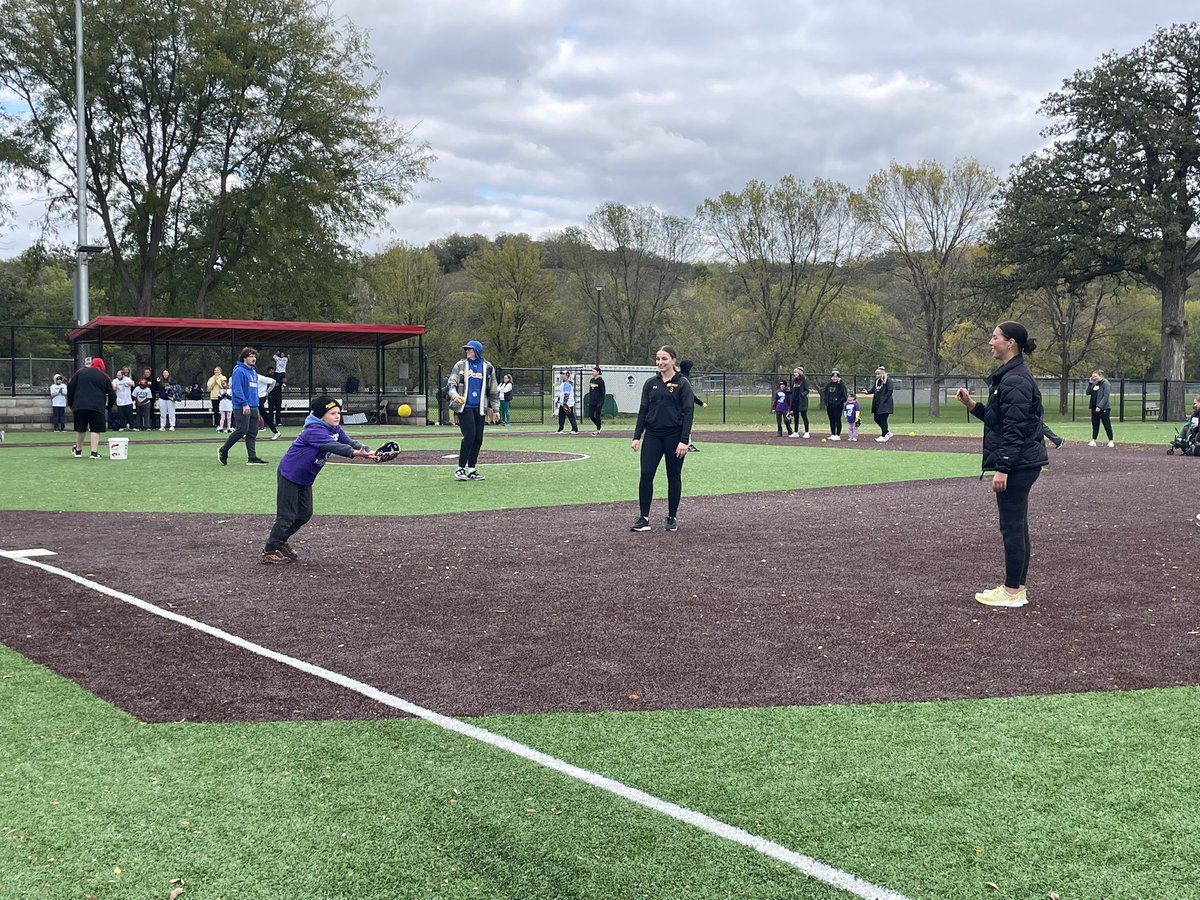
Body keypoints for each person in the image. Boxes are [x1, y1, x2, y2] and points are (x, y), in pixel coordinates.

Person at [954, 321, 1049, 608]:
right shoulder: (1010, 376)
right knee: (1017, 525)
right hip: (1022, 462)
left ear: (1011, 343)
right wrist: (973, 405)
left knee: (1012, 526)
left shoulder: (1016, 379)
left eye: (994, 337)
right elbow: (999, 419)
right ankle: (1016, 587)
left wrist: (1003, 467)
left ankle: (1011, 592)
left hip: (1018, 465)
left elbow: (1015, 428)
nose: (990, 342)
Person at [261, 395, 376, 564]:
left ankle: (281, 541)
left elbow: (349, 442)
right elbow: (334, 446)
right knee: (287, 516)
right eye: (332, 413)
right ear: (322, 415)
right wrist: (355, 453)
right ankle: (269, 550)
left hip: (305, 478)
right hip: (290, 475)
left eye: (338, 412)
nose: (337, 416)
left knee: (304, 514)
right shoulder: (313, 430)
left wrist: (367, 451)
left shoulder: (334, 428)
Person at [630, 345, 696, 533]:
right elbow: (643, 411)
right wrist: (637, 436)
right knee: (646, 474)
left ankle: (672, 517)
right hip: (652, 436)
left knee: (673, 476)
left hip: (674, 437)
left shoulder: (682, 383)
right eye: (658, 359)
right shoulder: (650, 383)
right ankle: (644, 518)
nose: (660, 362)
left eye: (664, 359)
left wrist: (684, 440)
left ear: (673, 360)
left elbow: (689, 412)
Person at [446, 339, 500, 480]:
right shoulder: (461, 365)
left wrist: (496, 409)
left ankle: (472, 469)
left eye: (469, 349)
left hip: (480, 408)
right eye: (466, 349)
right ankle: (460, 468)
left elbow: (493, 389)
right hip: (465, 407)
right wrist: (455, 395)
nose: (467, 351)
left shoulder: (488, 367)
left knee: (478, 439)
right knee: (469, 436)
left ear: (477, 351)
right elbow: (451, 383)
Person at [219, 347, 268, 466]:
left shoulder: (253, 372)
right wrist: (244, 403)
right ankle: (223, 450)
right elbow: (237, 389)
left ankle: (252, 458)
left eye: (254, 356)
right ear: (244, 358)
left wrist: (255, 403)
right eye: (251, 356)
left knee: (252, 432)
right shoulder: (239, 371)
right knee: (242, 430)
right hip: (242, 406)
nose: (253, 358)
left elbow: (253, 390)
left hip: (253, 406)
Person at [67, 357, 116, 459]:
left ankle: (78, 451)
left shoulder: (79, 373)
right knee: (95, 429)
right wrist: (109, 407)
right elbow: (112, 394)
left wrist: (71, 403)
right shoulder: (104, 376)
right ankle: (94, 453)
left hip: (79, 405)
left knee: (80, 428)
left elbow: (70, 387)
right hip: (97, 406)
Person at [678, 359, 708, 451]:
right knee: (686, 424)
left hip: (680, 406)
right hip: (683, 406)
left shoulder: (681, 376)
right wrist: (701, 403)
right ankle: (688, 444)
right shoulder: (683, 378)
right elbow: (690, 395)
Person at [862, 366, 895, 442]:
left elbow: (890, 391)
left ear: (882, 373)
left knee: (883, 419)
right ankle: (887, 432)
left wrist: (883, 400)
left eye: (878, 374)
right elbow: (874, 389)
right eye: (876, 374)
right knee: (876, 418)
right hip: (877, 403)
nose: (877, 375)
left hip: (885, 404)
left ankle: (883, 435)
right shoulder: (877, 381)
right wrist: (868, 392)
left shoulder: (888, 381)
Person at [1087, 369, 1115, 448]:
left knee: (1106, 424)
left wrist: (1100, 406)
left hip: (1104, 408)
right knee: (1095, 424)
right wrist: (1090, 383)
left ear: (1100, 376)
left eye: (1095, 376)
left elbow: (1105, 396)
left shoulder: (1106, 384)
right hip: (1094, 407)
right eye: (1093, 376)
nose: (1094, 378)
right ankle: (1093, 440)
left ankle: (1110, 440)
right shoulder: (1094, 383)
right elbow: (1087, 392)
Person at [821, 369, 848, 440]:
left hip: (838, 406)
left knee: (837, 419)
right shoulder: (829, 385)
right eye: (833, 376)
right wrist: (826, 402)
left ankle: (838, 435)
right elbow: (825, 394)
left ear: (839, 377)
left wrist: (838, 402)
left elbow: (844, 397)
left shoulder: (841, 385)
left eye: (836, 377)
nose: (835, 378)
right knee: (831, 420)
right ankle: (833, 434)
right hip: (830, 406)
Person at [258, 367, 282, 440]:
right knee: (264, 415)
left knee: (253, 413)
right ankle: (276, 432)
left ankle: (248, 432)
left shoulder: (260, 378)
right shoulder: (248, 378)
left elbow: (273, 381)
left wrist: (268, 391)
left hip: (260, 398)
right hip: (253, 399)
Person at [788, 366, 811, 437]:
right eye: (794, 372)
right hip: (795, 401)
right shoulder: (794, 381)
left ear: (799, 373)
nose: (795, 374)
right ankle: (796, 432)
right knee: (796, 417)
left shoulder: (804, 380)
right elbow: (792, 390)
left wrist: (802, 395)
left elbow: (807, 390)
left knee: (804, 416)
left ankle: (807, 432)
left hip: (802, 401)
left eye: (796, 372)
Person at [112, 367, 135, 431]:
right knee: (121, 415)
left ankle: (132, 426)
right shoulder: (115, 380)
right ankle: (122, 426)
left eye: (119, 375)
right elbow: (113, 387)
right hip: (120, 401)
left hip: (128, 400)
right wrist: (115, 388)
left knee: (129, 414)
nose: (118, 376)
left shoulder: (127, 379)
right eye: (117, 375)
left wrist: (128, 384)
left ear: (122, 375)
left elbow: (133, 384)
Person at [556, 370, 579, 434]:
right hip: (562, 403)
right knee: (561, 417)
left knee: (570, 416)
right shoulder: (563, 383)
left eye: (564, 374)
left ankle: (575, 429)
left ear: (567, 375)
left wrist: (565, 403)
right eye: (562, 374)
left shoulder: (567, 384)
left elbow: (567, 394)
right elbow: (562, 393)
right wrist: (559, 400)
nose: (562, 375)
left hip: (568, 403)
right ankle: (560, 429)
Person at [587, 366, 606, 434]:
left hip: (598, 402)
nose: (592, 372)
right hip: (592, 401)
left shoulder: (601, 381)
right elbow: (591, 391)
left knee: (597, 415)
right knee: (591, 415)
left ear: (598, 372)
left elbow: (603, 392)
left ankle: (598, 430)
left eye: (594, 371)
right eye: (592, 371)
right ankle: (599, 425)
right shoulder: (591, 380)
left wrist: (600, 402)